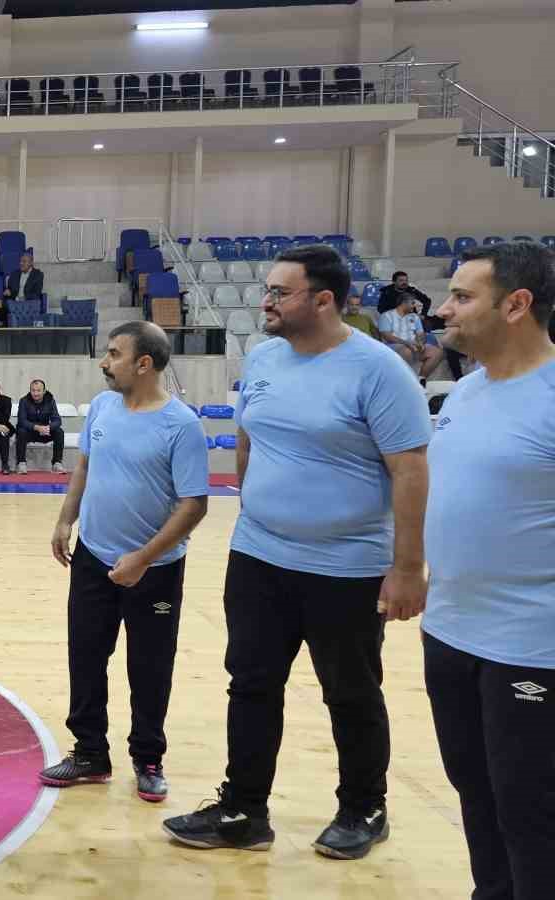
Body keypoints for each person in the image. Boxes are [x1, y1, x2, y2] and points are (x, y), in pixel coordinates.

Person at [162, 245, 431, 860]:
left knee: (351, 691)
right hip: (259, 557)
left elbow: (410, 469)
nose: (267, 301)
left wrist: (408, 567)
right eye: (267, 290)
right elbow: (250, 435)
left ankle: (363, 807)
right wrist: (257, 501)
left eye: (280, 292)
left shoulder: (378, 370)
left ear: (324, 300)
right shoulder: (262, 358)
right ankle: (243, 810)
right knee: (251, 683)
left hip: (348, 567)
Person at [423, 241, 555, 900]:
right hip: (450, 632)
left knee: (532, 813)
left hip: (530, 646)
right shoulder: (465, 392)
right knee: (476, 794)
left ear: (516, 305)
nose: (444, 310)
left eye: (462, 297)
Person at [43, 322, 209, 804]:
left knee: (150, 666)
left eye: (114, 353)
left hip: (154, 569)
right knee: (87, 656)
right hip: (93, 558)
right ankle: (91, 752)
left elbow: (194, 505)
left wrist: (143, 557)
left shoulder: (181, 425)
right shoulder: (102, 407)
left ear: (144, 364)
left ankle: (148, 757)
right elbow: (85, 466)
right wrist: (64, 520)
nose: (104, 361)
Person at [378, 294, 444, 380]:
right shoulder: (386, 316)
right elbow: (388, 337)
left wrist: (421, 343)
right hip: (394, 345)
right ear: (403, 303)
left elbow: (421, 334)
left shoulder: (414, 316)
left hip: (413, 345)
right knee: (407, 351)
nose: (414, 306)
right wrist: (407, 343)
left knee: (437, 352)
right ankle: (407, 381)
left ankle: (421, 379)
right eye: (412, 303)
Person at [17, 379, 67, 474]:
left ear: (44, 391)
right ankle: (21, 463)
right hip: (30, 432)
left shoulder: (50, 401)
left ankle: (57, 463)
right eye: (33, 390)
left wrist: (48, 428)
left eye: (38, 390)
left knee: (59, 432)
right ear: (30, 390)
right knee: (21, 431)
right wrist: (36, 427)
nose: (35, 393)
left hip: (45, 432)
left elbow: (57, 420)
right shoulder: (24, 401)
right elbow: (22, 421)